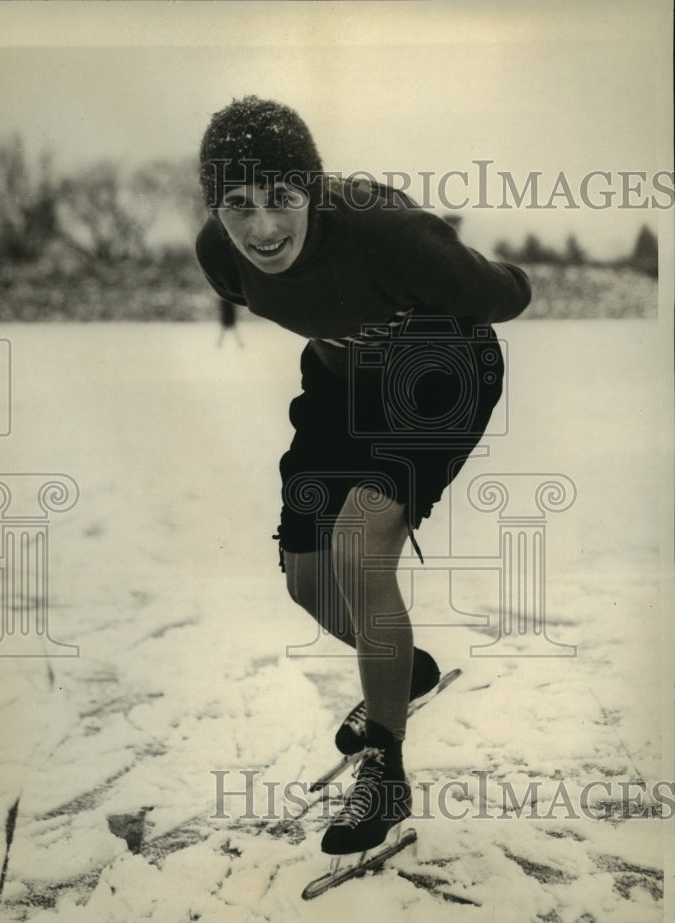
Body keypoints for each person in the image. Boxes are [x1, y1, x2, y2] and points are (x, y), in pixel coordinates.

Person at [195, 96, 531, 856]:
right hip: (341, 381)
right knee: (308, 578)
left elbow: (507, 294)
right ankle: (401, 670)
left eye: (281, 199)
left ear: (311, 191)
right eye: (237, 205)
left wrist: (469, 279)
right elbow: (297, 296)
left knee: (360, 544)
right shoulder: (221, 258)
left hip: (436, 376)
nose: (262, 229)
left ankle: (384, 764)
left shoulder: (390, 235)